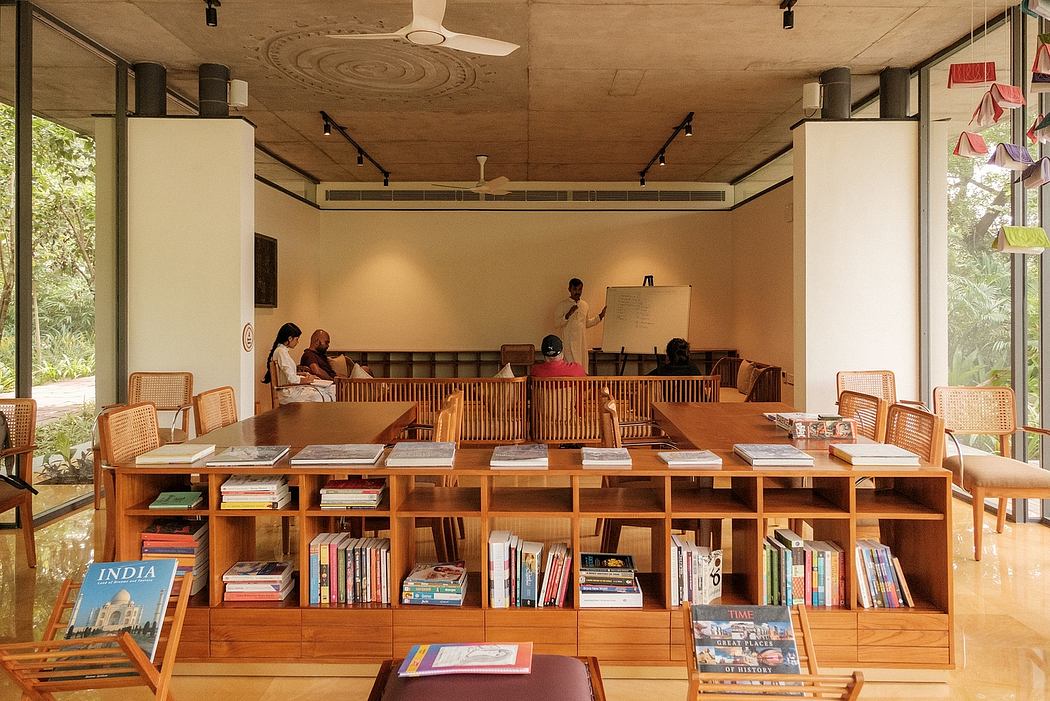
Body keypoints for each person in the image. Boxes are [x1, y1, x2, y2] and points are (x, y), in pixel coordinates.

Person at [263, 322, 335, 403]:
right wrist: (308, 380)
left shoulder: (281, 351)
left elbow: (287, 374)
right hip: (288, 393)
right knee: (319, 396)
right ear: (290, 338)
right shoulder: (281, 352)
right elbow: (292, 379)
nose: (298, 342)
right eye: (296, 339)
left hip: (289, 389)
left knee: (329, 390)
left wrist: (302, 375)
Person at [553, 277, 606, 373]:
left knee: (582, 370)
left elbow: (586, 323)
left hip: (582, 344)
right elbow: (557, 324)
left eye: (580, 289)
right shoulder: (562, 305)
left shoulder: (584, 305)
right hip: (568, 345)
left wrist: (600, 316)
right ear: (569, 289)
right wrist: (568, 314)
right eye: (575, 289)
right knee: (569, 371)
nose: (577, 292)